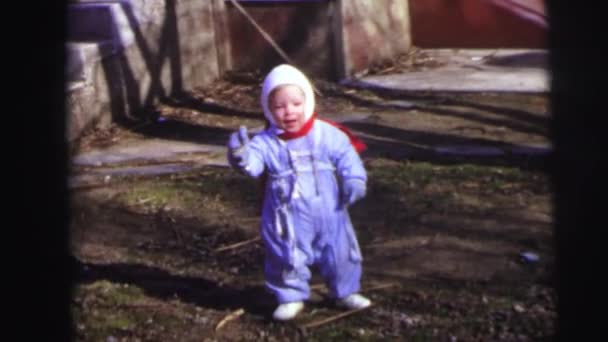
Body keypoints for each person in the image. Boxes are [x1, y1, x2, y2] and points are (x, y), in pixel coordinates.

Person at [226, 64, 372, 321]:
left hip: (330, 211)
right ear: (268, 109)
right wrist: (240, 157)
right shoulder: (266, 142)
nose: (289, 111)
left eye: (295, 103)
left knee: (340, 251)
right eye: (280, 106)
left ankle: (345, 291)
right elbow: (253, 165)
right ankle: (290, 296)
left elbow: (347, 156)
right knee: (286, 255)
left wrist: (354, 180)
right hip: (287, 218)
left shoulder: (326, 134)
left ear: (308, 100)